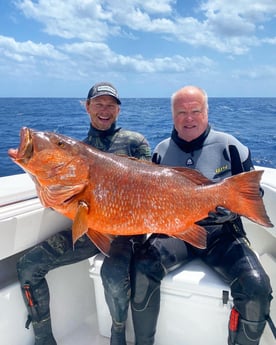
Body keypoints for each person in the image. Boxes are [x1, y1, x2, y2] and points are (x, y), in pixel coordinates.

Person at [130, 86, 273, 345]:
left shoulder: (231, 146)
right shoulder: (160, 151)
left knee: (257, 286)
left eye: (196, 111)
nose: (189, 118)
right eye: (181, 112)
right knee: (141, 266)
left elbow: (255, 193)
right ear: (173, 116)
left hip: (222, 236)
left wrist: (233, 209)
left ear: (206, 112)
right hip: (175, 234)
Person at [17, 81, 151, 345]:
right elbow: (61, 196)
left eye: (110, 105)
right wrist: (42, 183)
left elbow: (148, 184)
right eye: (98, 104)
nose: (104, 110)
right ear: (87, 107)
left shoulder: (136, 142)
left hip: (127, 232)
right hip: (90, 228)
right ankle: (44, 339)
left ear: (118, 111)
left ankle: (117, 334)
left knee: (112, 275)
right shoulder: (73, 149)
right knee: (28, 266)